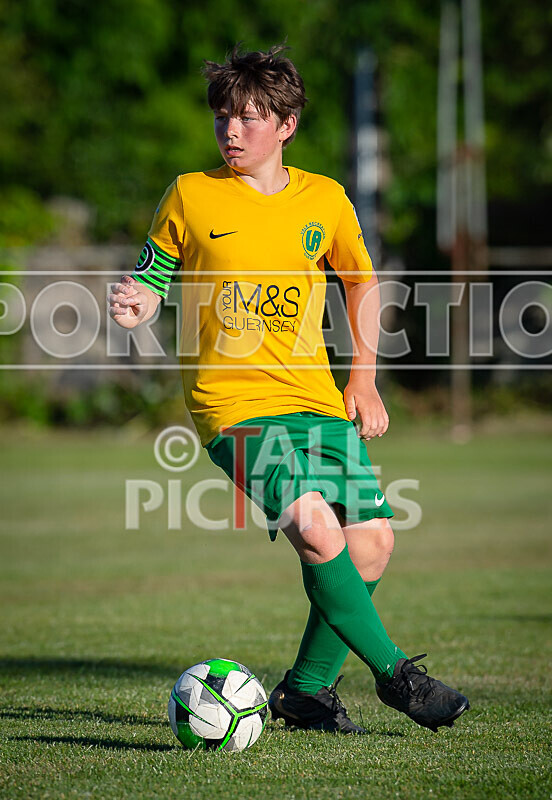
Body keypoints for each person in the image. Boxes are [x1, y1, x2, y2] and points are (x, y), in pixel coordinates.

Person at [109, 43, 469, 734]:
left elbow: (361, 282)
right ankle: (398, 675)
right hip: (233, 406)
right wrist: (137, 305)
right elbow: (152, 278)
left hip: (314, 401)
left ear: (286, 125)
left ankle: (304, 694)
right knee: (314, 526)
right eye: (223, 116)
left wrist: (363, 379)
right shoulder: (190, 193)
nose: (231, 130)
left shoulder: (324, 198)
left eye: (248, 117)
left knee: (372, 543)